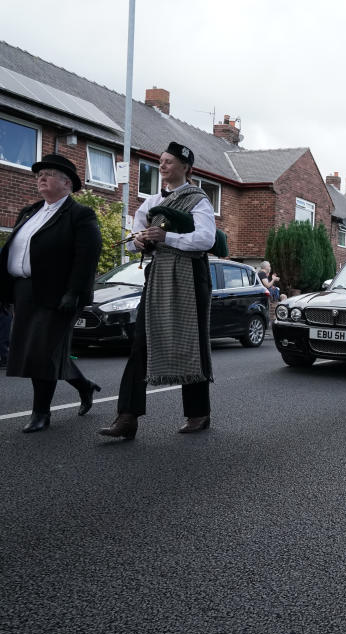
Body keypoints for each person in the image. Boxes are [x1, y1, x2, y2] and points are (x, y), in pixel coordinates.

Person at [99, 142, 216, 440]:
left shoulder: (198, 200)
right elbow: (137, 231)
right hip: (159, 273)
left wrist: (167, 236)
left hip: (191, 273)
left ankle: (198, 412)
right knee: (141, 341)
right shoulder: (150, 202)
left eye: (169, 161)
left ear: (186, 167)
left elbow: (206, 239)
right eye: (161, 161)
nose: (162, 166)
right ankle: (127, 417)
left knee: (193, 340)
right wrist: (139, 241)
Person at [0, 154, 102, 433]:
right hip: (24, 290)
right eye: (39, 174)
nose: (41, 178)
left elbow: (87, 257)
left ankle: (41, 413)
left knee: (42, 352)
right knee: (41, 349)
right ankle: (85, 386)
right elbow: (14, 251)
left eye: (49, 174)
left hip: (58, 295)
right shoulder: (29, 212)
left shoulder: (79, 214)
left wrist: (75, 292)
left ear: (67, 183)